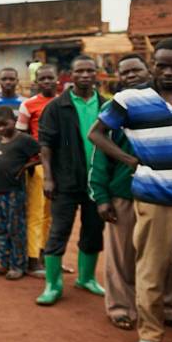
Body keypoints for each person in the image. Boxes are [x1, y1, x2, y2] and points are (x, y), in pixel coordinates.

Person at [89, 38, 172, 342]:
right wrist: (128, 159)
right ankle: (150, 333)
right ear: (152, 64)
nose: (169, 71)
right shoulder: (130, 100)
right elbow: (96, 133)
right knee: (150, 269)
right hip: (154, 199)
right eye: (162, 64)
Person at [35, 55, 107, 305]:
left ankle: (86, 278)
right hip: (65, 181)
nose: (85, 75)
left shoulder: (106, 105)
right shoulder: (57, 107)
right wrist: (48, 178)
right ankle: (52, 285)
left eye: (90, 71)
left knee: (94, 229)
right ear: (71, 75)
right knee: (59, 230)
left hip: (97, 183)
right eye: (80, 71)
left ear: (97, 73)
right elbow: (46, 145)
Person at [0, 106, 40, 280]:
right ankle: (3, 262)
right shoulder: (1, 140)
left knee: (15, 229)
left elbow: (42, 155)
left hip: (14, 193)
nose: (1, 129)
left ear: (14, 121)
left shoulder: (24, 140)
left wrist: (24, 168)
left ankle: (17, 265)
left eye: (4, 125)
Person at [16, 65, 59, 278]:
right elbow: (20, 137)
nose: (47, 82)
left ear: (57, 79)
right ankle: (33, 259)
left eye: (50, 78)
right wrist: (28, 164)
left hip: (62, 167)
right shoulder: (28, 105)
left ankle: (46, 256)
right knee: (36, 212)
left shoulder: (64, 103)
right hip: (38, 166)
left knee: (51, 215)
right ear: (37, 82)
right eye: (43, 79)